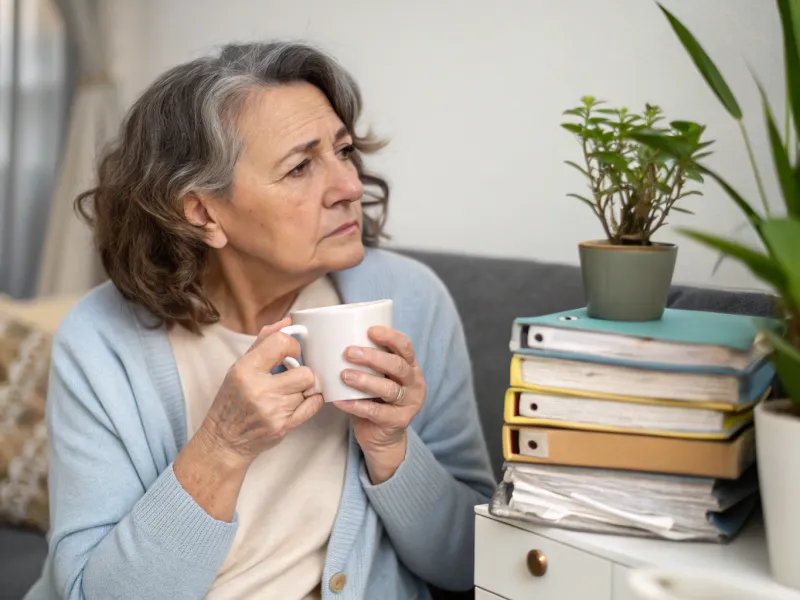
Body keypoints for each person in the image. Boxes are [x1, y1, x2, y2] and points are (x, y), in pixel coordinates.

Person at [25, 41, 495, 600]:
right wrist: (221, 447)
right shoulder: (101, 339)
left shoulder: (409, 300)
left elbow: (471, 562)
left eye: (343, 152)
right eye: (300, 166)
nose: (349, 187)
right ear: (203, 213)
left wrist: (391, 446)